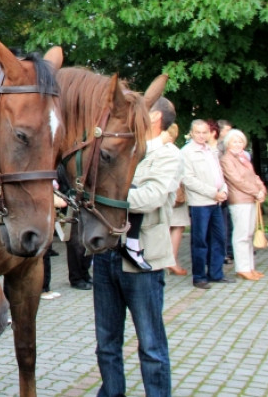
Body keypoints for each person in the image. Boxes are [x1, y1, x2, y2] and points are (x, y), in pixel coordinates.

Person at [93, 96, 178, 397]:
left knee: (151, 344)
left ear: (155, 117)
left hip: (143, 262)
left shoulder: (168, 155)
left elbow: (152, 197)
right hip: (106, 256)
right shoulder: (121, 149)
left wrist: (108, 193)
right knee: (106, 343)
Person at [181, 119, 233, 289]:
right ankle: (199, 276)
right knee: (200, 241)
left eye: (205, 132)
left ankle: (216, 273)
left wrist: (224, 190)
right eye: (198, 132)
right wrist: (213, 193)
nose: (202, 136)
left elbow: (219, 174)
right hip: (200, 203)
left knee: (219, 238)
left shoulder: (211, 150)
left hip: (216, 202)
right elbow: (188, 179)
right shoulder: (186, 152)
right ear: (192, 133)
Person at [219, 129, 267, 280]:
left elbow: (254, 176)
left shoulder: (243, 158)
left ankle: (250, 267)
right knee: (241, 235)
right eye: (235, 141)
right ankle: (242, 268)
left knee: (249, 234)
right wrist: (255, 191)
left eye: (240, 141)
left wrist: (262, 189)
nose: (238, 144)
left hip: (251, 199)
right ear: (228, 143)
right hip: (239, 201)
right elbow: (237, 180)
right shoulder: (226, 159)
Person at [164, 123, 189, 276]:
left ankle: (164, 260)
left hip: (161, 194)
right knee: (177, 226)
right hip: (174, 194)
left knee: (165, 226)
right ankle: (171, 260)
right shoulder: (174, 151)